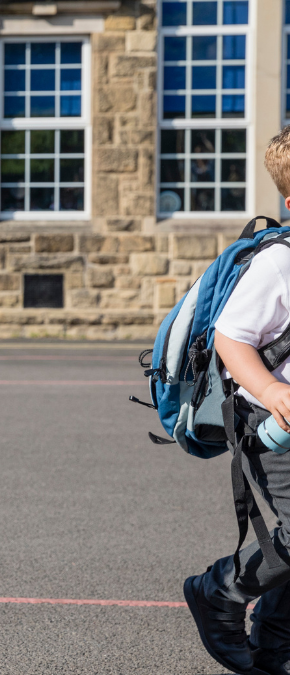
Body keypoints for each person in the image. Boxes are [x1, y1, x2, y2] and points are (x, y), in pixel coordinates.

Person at [184, 125, 290, 675]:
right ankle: (219, 590)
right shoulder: (279, 263)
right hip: (272, 424)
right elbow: (231, 338)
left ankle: (275, 648)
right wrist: (271, 389)